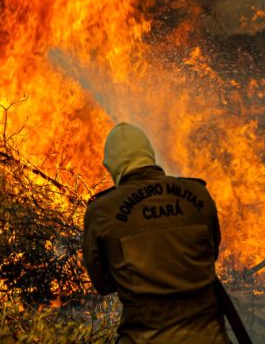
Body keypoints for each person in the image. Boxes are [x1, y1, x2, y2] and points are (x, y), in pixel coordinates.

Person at [82, 122, 229, 344]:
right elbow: (211, 254)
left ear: (112, 166)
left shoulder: (102, 211)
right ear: (149, 155)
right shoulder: (199, 195)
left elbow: (103, 283)